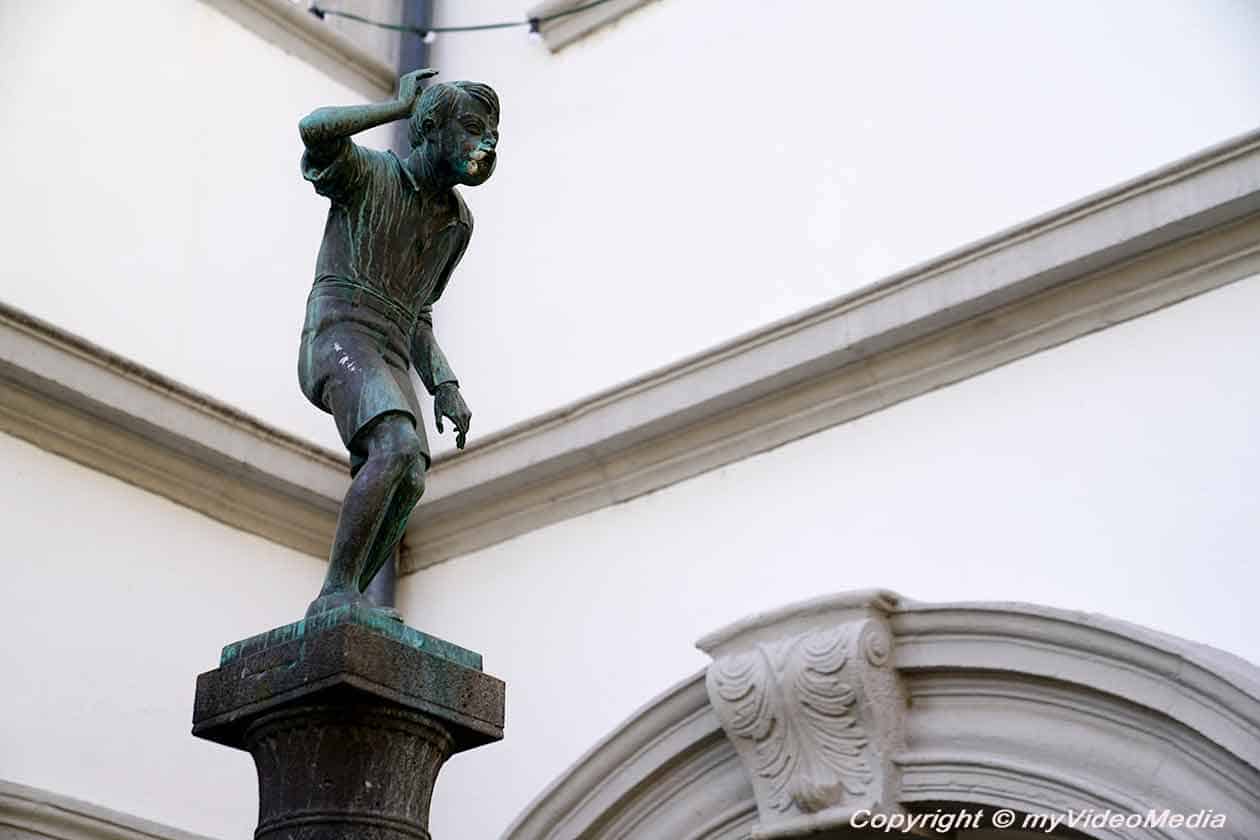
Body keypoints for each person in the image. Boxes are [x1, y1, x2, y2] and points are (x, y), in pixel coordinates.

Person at [296, 68, 499, 618]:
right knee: (396, 447)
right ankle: (335, 595)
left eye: (492, 137)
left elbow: (419, 314)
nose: (487, 144)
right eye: (475, 129)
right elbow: (314, 130)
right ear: (430, 127)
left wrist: (444, 385)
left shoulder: (457, 223)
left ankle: (349, 598)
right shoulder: (369, 175)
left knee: (409, 473)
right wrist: (396, 106)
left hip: (388, 348)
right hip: (339, 333)